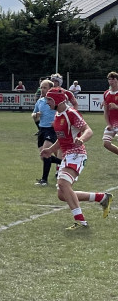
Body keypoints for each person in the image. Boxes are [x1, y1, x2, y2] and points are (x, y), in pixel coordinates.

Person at [39, 88, 112, 230]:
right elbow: (62, 140)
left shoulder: (71, 113)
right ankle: (102, 198)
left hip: (77, 153)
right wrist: (50, 150)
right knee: (62, 194)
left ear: (57, 100)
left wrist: (82, 139)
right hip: (68, 154)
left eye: (49, 100)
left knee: (63, 184)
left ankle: (80, 221)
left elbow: (88, 130)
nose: (47, 102)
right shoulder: (58, 115)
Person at [32, 79, 61, 186]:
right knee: (43, 156)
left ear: (50, 89)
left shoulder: (55, 101)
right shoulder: (39, 102)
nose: (42, 89)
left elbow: (63, 112)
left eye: (45, 87)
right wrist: (35, 116)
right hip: (41, 130)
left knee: (45, 153)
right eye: (41, 87)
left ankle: (44, 180)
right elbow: (33, 114)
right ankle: (63, 163)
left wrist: (56, 121)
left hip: (52, 130)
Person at [101, 72, 118, 159]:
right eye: (109, 79)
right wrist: (108, 124)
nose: (111, 81)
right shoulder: (106, 93)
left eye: (113, 79)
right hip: (112, 123)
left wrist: (116, 107)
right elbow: (106, 111)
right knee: (106, 144)